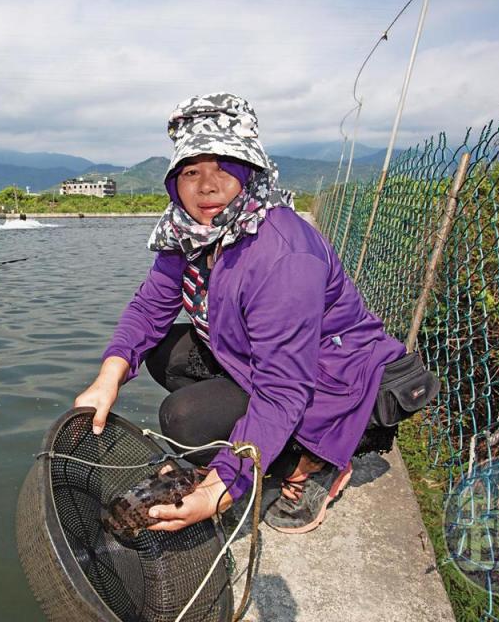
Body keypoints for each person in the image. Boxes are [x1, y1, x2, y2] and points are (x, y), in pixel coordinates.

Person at [73, 92, 411, 534]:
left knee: (187, 418)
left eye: (223, 168)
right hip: (257, 358)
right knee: (161, 351)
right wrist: (107, 378)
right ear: (175, 181)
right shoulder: (189, 232)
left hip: (331, 376)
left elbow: (284, 386)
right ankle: (260, 444)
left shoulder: (282, 255)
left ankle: (312, 461)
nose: (206, 186)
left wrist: (218, 492)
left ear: (250, 172)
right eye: (191, 171)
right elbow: (150, 306)